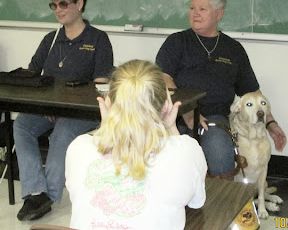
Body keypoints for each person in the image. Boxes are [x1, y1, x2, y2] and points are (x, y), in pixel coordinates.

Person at [156, 0, 286, 178]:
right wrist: (186, 109)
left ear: (219, 13)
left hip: (214, 118)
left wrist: (271, 123)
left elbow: (253, 92)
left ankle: (222, 203)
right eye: (192, 8)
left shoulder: (233, 49)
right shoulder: (176, 42)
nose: (195, 13)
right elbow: (163, 78)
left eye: (202, 9)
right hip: (176, 114)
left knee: (219, 149)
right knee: (165, 153)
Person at [14, 0, 113, 221]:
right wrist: (47, 104)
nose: (58, 10)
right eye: (54, 5)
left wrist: (64, 107)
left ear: (79, 4)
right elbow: (33, 75)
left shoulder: (98, 39)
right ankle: (35, 190)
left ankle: (49, 195)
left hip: (82, 113)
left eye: (63, 4)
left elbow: (102, 85)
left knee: (63, 131)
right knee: (22, 125)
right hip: (49, 109)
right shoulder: (51, 39)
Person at [65, 60, 207, 230]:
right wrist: (170, 128)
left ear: (108, 103)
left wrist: (106, 125)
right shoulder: (187, 150)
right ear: (166, 104)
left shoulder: (78, 148)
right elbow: (196, 203)